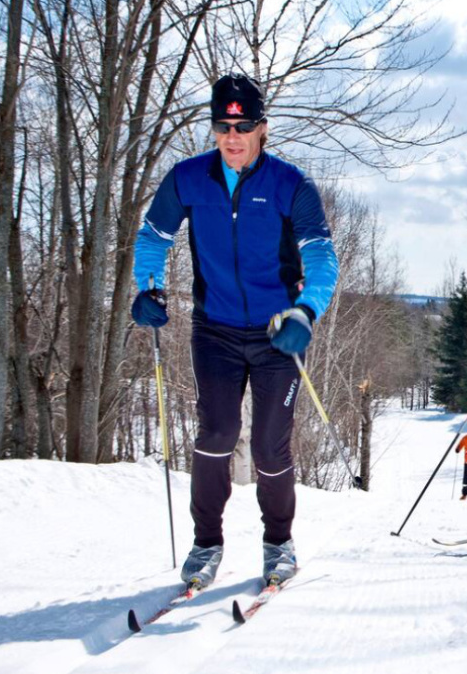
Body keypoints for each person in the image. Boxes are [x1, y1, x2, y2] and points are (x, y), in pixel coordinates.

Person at [130, 73, 339, 588]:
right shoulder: (187, 178)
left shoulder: (290, 184)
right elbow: (153, 237)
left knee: (270, 447)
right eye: (223, 125)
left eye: (243, 125)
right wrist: (149, 289)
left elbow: (321, 256)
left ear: (261, 128)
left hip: (276, 334)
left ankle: (278, 543)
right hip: (216, 331)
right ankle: (206, 545)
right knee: (217, 434)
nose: (232, 135)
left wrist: (305, 313)